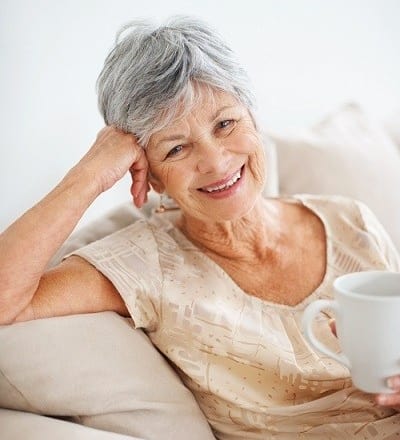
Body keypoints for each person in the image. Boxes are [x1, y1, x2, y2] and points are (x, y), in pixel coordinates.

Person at [0, 16, 399, 439]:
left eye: (225, 124)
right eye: (176, 148)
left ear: (253, 117)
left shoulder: (349, 220)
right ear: (151, 177)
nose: (214, 161)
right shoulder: (145, 264)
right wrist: (92, 171)